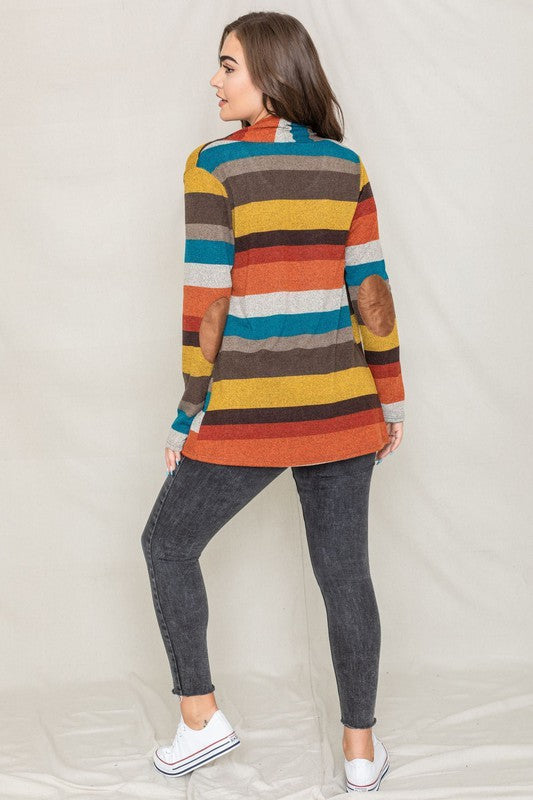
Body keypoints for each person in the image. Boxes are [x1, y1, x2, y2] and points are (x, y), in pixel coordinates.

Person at [141, 11, 405, 793]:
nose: (215, 80)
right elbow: (371, 292)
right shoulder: (346, 165)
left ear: (271, 72)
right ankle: (359, 753)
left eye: (228, 65)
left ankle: (201, 720)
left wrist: (188, 411)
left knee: (165, 545)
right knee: (345, 576)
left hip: (249, 412)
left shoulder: (213, 164)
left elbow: (207, 302)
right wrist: (388, 399)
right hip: (343, 408)